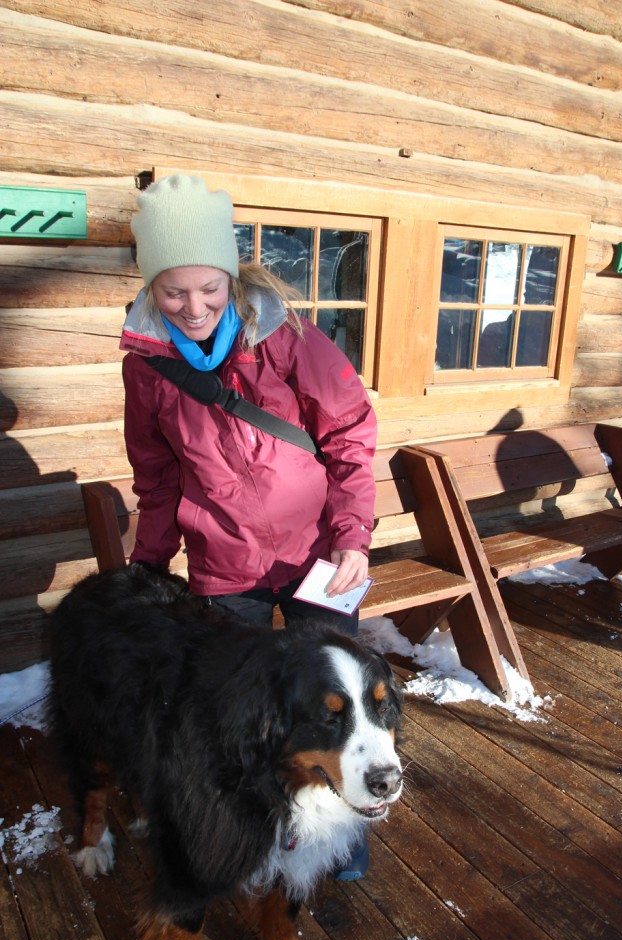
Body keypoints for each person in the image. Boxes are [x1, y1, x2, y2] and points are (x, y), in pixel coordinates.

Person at [120, 173, 377, 880]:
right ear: (151, 289)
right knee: (233, 712)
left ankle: (342, 848)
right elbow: (158, 476)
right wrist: (149, 565)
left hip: (315, 561)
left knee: (336, 712)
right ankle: (247, 838)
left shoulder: (289, 340)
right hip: (222, 567)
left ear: (231, 279)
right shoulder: (147, 369)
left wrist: (352, 535)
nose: (194, 306)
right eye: (174, 292)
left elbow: (349, 437)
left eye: (209, 288)